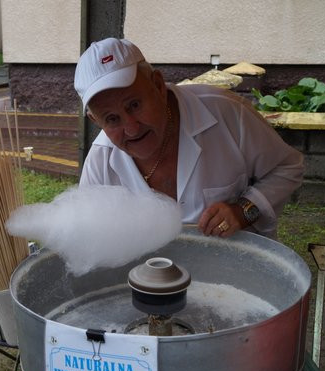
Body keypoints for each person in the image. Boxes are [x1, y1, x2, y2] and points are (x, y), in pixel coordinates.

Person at [75, 38, 304, 239]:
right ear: (96, 122)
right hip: (149, 283)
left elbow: (287, 167)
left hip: (236, 274)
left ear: (158, 85)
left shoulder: (225, 112)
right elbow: (90, 240)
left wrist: (244, 210)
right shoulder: (100, 163)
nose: (132, 128)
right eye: (112, 119)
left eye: (134, 105)